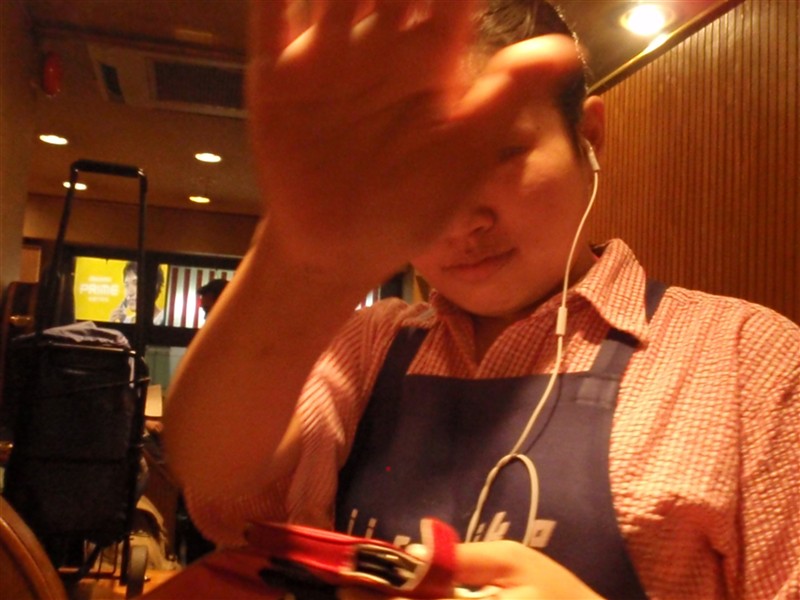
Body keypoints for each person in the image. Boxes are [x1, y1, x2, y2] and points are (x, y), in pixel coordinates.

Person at [164, 1, 799, 598]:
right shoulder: (370, 346)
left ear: (588, 135)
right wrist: (295, 258)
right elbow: (218, 479)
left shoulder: (748, 362)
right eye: (415, 173)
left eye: (502, 153)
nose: (459, 220)